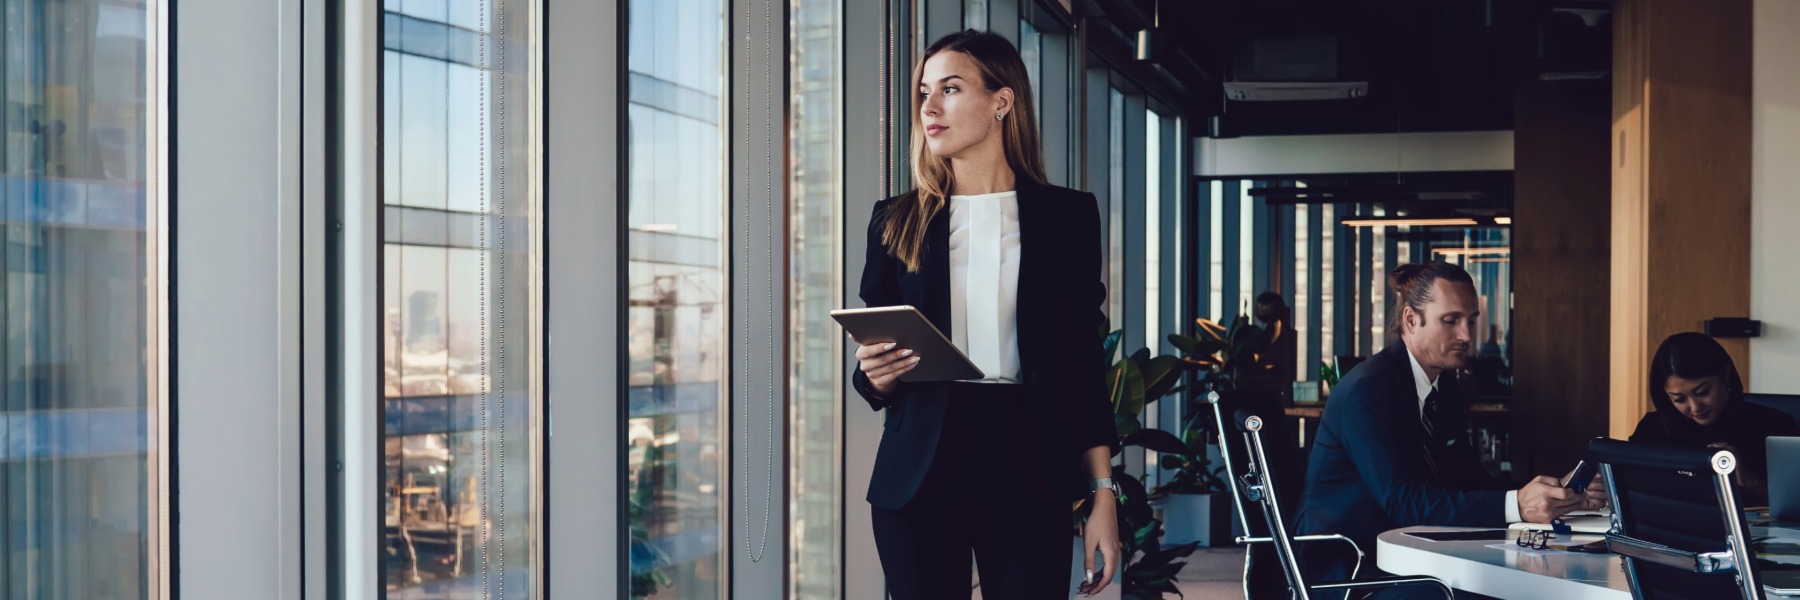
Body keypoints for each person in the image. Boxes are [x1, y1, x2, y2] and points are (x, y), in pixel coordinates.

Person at [849, 29, 1121, 599]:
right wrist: (872, 373)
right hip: (921, 466)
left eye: (950, 88)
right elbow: (874, 355)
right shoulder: (895, 219)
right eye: (924, 91)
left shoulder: (1067, 217)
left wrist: (1102, 494)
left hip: (1027, 458)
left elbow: (1080, 361)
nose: (929, 107)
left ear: (1002, 101)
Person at [1295, 261, 1603, 598]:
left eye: (1471, 320)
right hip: (1351, 568)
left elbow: (1468, 480)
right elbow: (1402, 500)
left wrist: (1556, 493)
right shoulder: (1367, 390)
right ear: (1411, 320)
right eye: (1450, 320)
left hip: (1414, 552)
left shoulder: (1445, 389)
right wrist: (1516, 505)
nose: (1467, 336)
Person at [1629, 332, 1800, 506]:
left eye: (1702, 392)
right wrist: (1605, 490)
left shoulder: (1774, 426)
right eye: (1679, 399)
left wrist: (1750, 481)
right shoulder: (1653, 429)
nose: (1695, 407)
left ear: (1725, 375)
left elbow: (1794, 503)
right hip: (1669, 530)